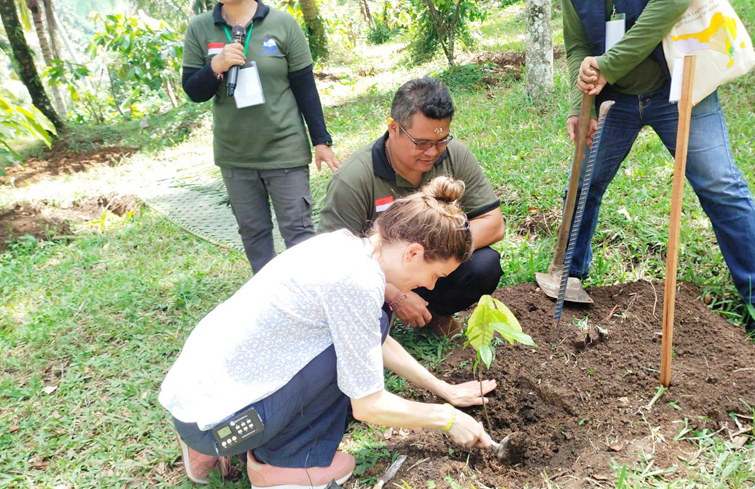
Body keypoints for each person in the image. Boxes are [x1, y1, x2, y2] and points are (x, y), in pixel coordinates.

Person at [159, 177, 496, 488]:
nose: (430, 285)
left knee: (367, 331)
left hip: (196, 406)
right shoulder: (358, 282)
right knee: (361, 344)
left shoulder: (343, 248)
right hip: (219, 425)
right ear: (413, 253)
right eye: (435, 274)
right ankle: (282, 467)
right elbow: (368, 405)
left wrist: (443, 389)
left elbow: (367, 341)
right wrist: (448, 419)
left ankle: (206, 448)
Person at [561, 0, 755, 343]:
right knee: (581, 184)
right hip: (614, 98)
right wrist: (581, 104)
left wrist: (608, 65)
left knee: (719, 184)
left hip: (680, 83)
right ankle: (567, 279)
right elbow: (577, 45)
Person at [319, 77, 505, 337]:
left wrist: (434, 253)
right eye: (421, 143)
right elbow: (333, 260)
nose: (432, 152)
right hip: (378, 278)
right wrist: (394, 294)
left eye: (440, 142)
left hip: (431, 270)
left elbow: (493, 224)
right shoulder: (354, 179)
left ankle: (436, 314)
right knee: (365, 320)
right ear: (394, 128)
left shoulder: (456, 155)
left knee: (484, 265)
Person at [181, 0, 340, 274]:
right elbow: (194, 91)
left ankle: (311, 301)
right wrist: (215, 66)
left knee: (299, 233)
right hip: (235, 155)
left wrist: (321, 142)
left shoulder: (283, 24)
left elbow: (305, 88)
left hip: (285, 150)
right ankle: (272, 302)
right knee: (254, 235)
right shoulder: (199, 28)